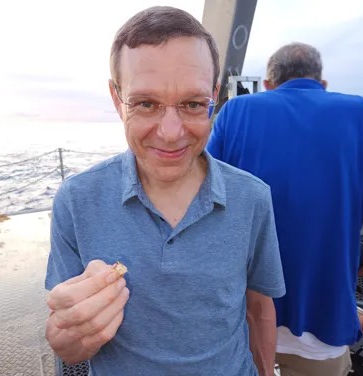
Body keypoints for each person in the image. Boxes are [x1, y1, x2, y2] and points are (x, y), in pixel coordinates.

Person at [44, 6, 286, 376]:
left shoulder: (252, 198)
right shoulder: (76, 201)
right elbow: (67, 343)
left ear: (214, 96)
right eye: (145, 104)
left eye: (192, 104)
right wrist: (70, 337)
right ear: (116, 99)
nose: (171, 132)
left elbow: (259, 308)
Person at [206, 41, 363, 375]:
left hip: (244, 322)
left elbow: (202, 201)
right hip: (321, 332)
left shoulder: (236, 112)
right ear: (322, 84)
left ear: (268, 85)